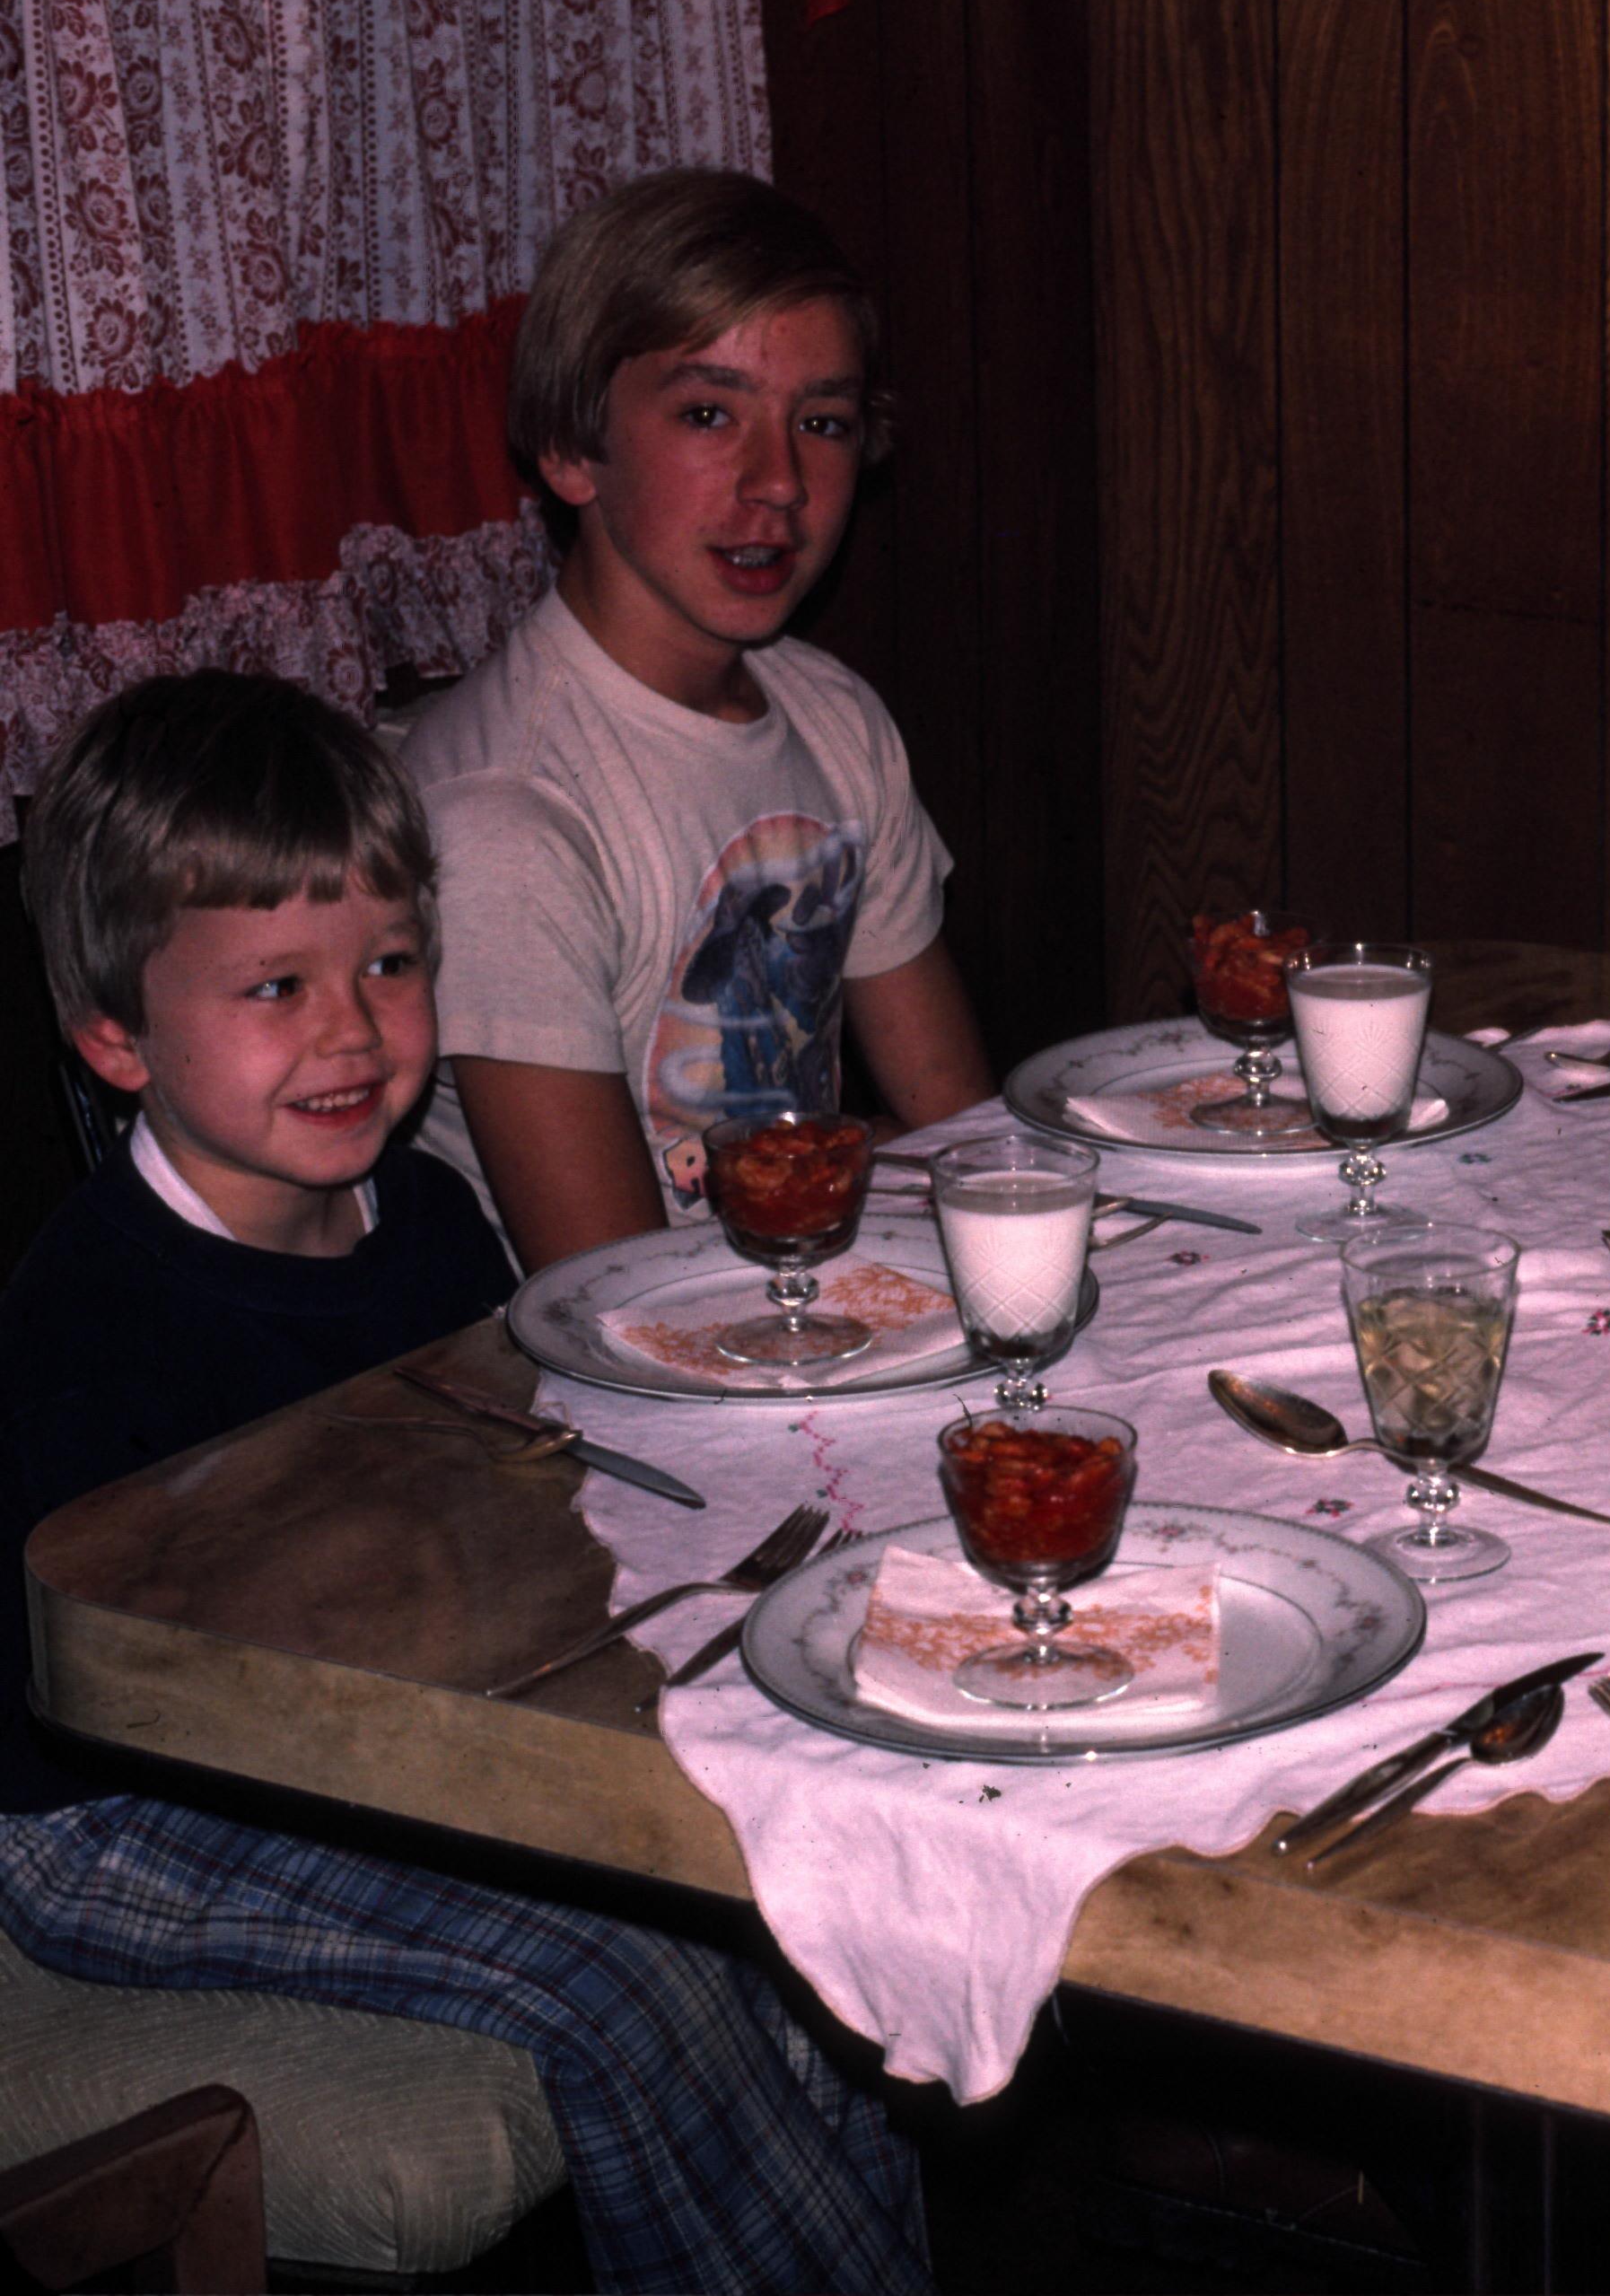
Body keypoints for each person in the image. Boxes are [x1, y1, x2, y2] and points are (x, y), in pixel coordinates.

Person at [0, 671, 931, 2292]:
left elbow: (504, 1509)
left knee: (793, 1868)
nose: (351, 1028)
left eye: (389, 964)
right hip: (119, 1813)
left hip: (378, 1735)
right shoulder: (92, 1311)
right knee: (620, 1974)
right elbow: (101, 1693)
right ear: (113, 1035)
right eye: (274, 987)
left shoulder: (425, 1227)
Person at [401, 167, 990, 1271]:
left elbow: (966, 1133)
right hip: (582, 1397)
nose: (778, 482)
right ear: (574, 450)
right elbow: (614, 1288)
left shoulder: (834, 716)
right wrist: (880, 1168)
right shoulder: (506, 813)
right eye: (709, 413)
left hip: (799, 1294)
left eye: (822, 422)